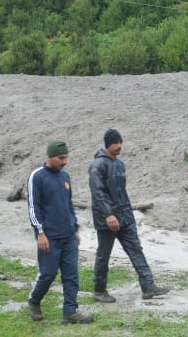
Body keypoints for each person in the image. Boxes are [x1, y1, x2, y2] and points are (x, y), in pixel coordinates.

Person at [89, 128, 170, 302]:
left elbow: (121, 192)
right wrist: (108, 215)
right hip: (107, 220)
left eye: (120, 142)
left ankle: (148, 287)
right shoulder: (98, 165)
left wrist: (128, 214)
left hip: (125, 217)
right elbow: (98, 193)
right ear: (108, 144)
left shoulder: (119, 164)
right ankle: (99, 290)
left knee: (136, 250)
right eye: (115, 142)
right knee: (104, 255)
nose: (119, 145)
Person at [26, 140, 93, 324]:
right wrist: (40, 233)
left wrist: (75, 229)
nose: (65, 161)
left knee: (71, 274)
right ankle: (34, 300)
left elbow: (68, 205)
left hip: (68, 236)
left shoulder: (65, 177)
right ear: (50, 156)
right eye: (61, 158)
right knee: (48, 274)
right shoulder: (37, 177)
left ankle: (70, 312)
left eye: (66, 157)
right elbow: (33, 208)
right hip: (49, 237)